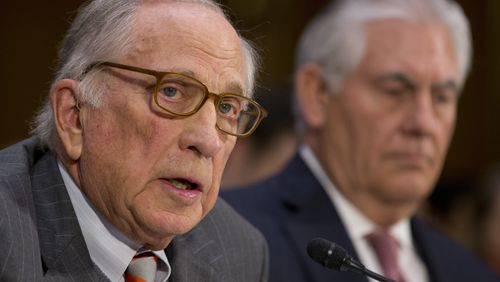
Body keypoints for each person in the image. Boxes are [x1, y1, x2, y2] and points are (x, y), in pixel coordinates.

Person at [222, 0, 499, 281]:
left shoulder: (472, 273)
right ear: (317, 94)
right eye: (394, 91)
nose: (423, 123)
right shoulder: (226, 238)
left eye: (441, 97)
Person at [0, 0, 269, 281]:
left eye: (227, 108)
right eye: (172, 92)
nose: (208, 141)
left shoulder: (240, 251)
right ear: (74, 116)